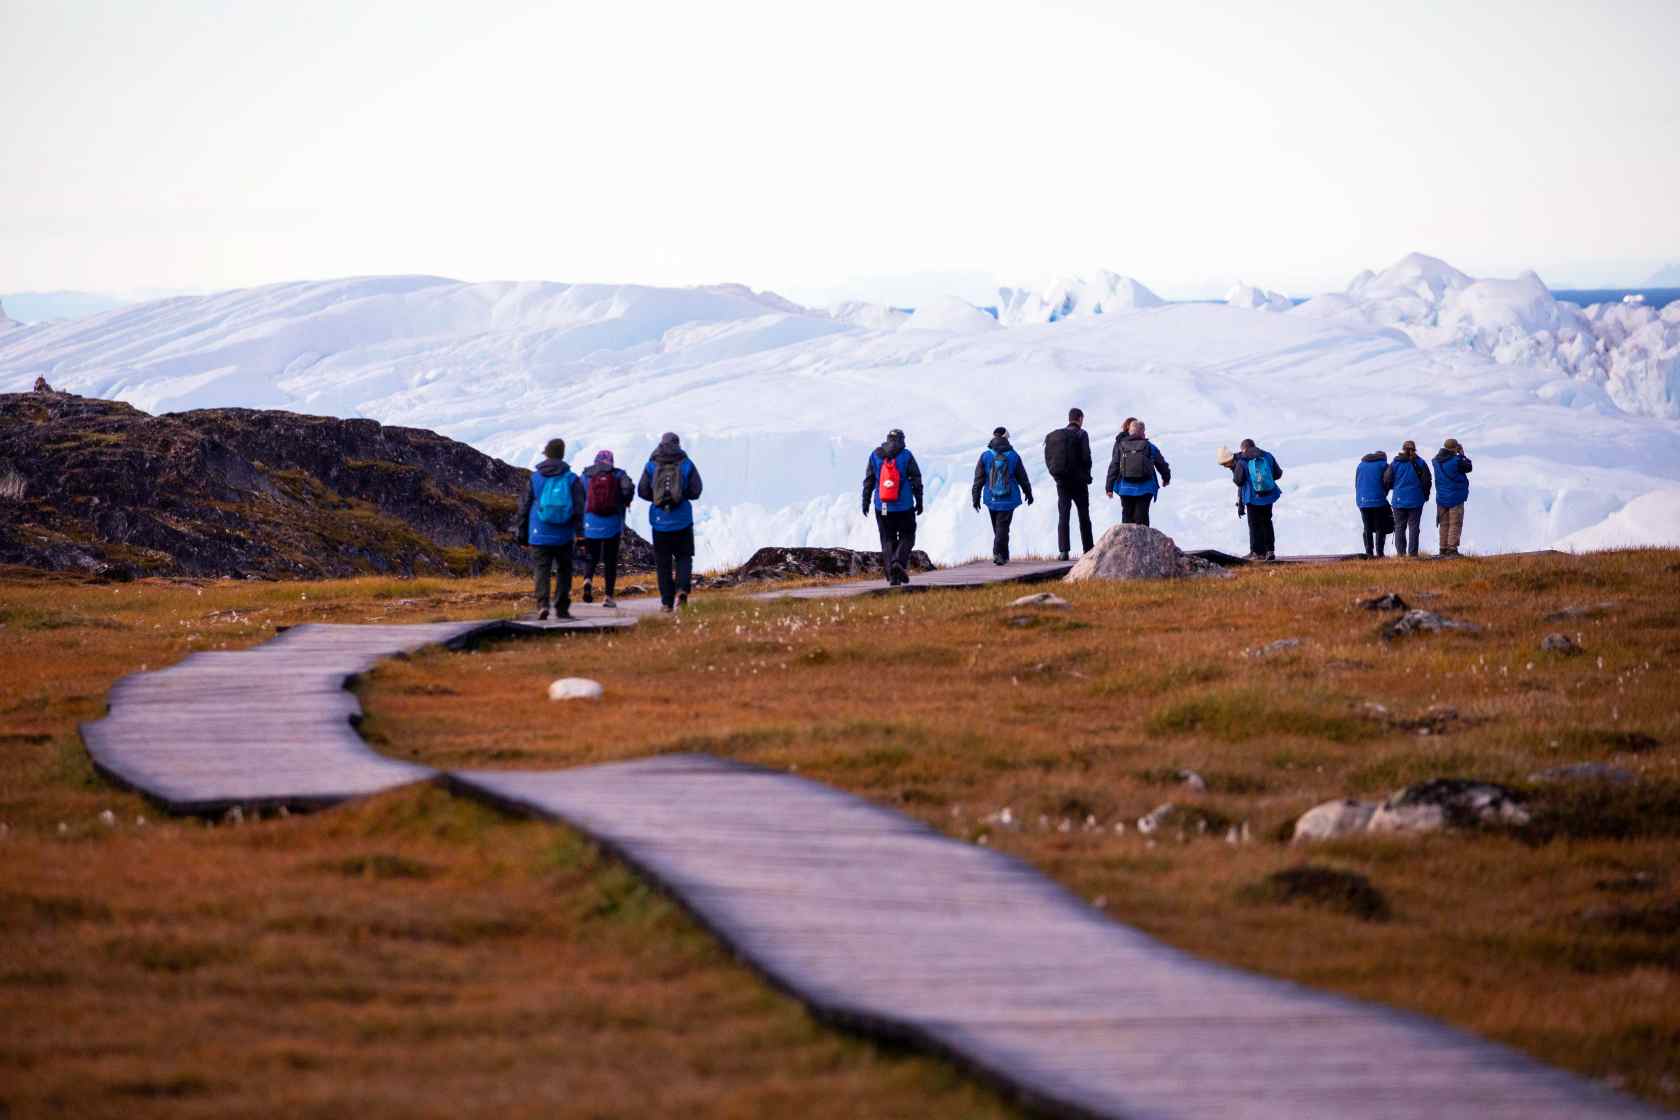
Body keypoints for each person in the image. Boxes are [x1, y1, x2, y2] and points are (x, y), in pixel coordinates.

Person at [516, 437, 586, 620]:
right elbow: (579, 508)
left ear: (546, 453)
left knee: (541, 570)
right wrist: (580, 534)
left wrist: (522, 533)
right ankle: (562, 608)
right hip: (563, 533)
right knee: (564, 569)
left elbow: (524, 506)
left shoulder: (535, 478)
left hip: (539, 532)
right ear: (562, 454)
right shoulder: (571, 478)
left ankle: (542, 605)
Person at [637, 432, 703, 611]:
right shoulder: (686, 463)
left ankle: (666, 602)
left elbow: (642, 491)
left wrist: (658, 499)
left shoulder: (651, 464)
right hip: (682, 520)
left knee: (663, 562)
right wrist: (680, 496)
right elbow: (696, 490)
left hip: (660, 522)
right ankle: (682, 591)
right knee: (684, 557)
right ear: (678, 444)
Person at [861, 427, 924, 585]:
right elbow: (916, 479)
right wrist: (919, 500)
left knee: (887, 539)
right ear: (902, 440)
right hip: (904, 507)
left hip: (882, 507)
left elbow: (869, 480)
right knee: (907, 536)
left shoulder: (876, 455)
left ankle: (893, 577)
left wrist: (865, 501)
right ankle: (898, 563)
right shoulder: (906, 455)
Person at [578, 449, 636, 607]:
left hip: (590, 523)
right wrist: (624, 500)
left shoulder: (585, 475)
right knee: (610, 560)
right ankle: (608, 597)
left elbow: (577, 495)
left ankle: (588, 579)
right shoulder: (618, 474)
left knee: (591, 556)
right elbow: (629, 489)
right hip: (612, 523)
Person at [972, 426, 1035, 565]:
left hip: (991, 497)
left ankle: (1003, 556)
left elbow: (979, 479)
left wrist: (975, 497)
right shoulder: (1014, 456)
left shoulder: (985, 456)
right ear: (1006, 438)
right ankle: (998, 553)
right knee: (1003, 527)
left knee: (998, 527)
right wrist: (1028, 492)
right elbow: (1022, 477)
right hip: (1009, 498)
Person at [1043, 407, 1094, 560]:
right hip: (1079, 482)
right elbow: (1086, 457)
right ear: (1080, 419)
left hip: (1062, 482)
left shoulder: (1056, 436)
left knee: (1063, 516)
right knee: (1084, 516)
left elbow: (1049, 459)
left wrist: (1057, 477)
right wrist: (1087, 476)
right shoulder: (1082, 434)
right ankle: (1088, 550)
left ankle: (1063, 551)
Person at [1105, 418, 1171, 526]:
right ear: (1143, 433)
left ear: (1130, 432)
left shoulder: (1121, 446)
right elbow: (1161, 463)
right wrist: (1166, 478)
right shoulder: (1149, 446)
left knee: (1127, 516)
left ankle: (1126, 542)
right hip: (1145, 488)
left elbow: (1114, 466)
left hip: (1125, 488)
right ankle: (1144, 541)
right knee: (1142, 517)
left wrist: (1109, 487)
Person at [1229, 438, 1283, 560]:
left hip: (1252, 498)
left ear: (1243, 449)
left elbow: (1238, 481)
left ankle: (1256, 552)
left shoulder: (1242, 460)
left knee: (1254, 525)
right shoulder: (1268, 456)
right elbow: (1278, 474)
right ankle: (1270, 551)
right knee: (1267, 522)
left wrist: (1234, 469)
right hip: (1268, 495)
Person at [1383, 439, 1431, 557]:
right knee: (1414, 527)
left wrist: (1392, 488)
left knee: (1399, 527)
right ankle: (1413, 554)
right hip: (1416, 500)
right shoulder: (1421, 463)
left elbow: (1387, 480)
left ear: (1403, 449)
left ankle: (1401, 554)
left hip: (1398, 500)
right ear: (1414, 449)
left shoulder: (1395, 463)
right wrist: (1425, 496)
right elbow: (1427, 481)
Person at [1431, 438, 1473, 556]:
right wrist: (1462, 454)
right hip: (1455, 497)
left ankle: (1443, 549)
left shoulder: (1436, 461)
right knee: (1455, 523)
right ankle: (1452, 550)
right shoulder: (1457, 460)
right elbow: (1469, 467)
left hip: (1441, 497)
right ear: (1455, 448)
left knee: (1444, 524)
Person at [1355, 450, 1394, 558]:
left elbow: (1356, 483)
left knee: (1367, 527)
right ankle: (1380, 553)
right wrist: (1385, 491)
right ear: (1383, 458)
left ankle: (1369, 553)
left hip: (1362, 501)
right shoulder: (1384, 465)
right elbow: (1388, 481)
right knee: (1379, 527)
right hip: (1378, 501)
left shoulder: (1361, 465)